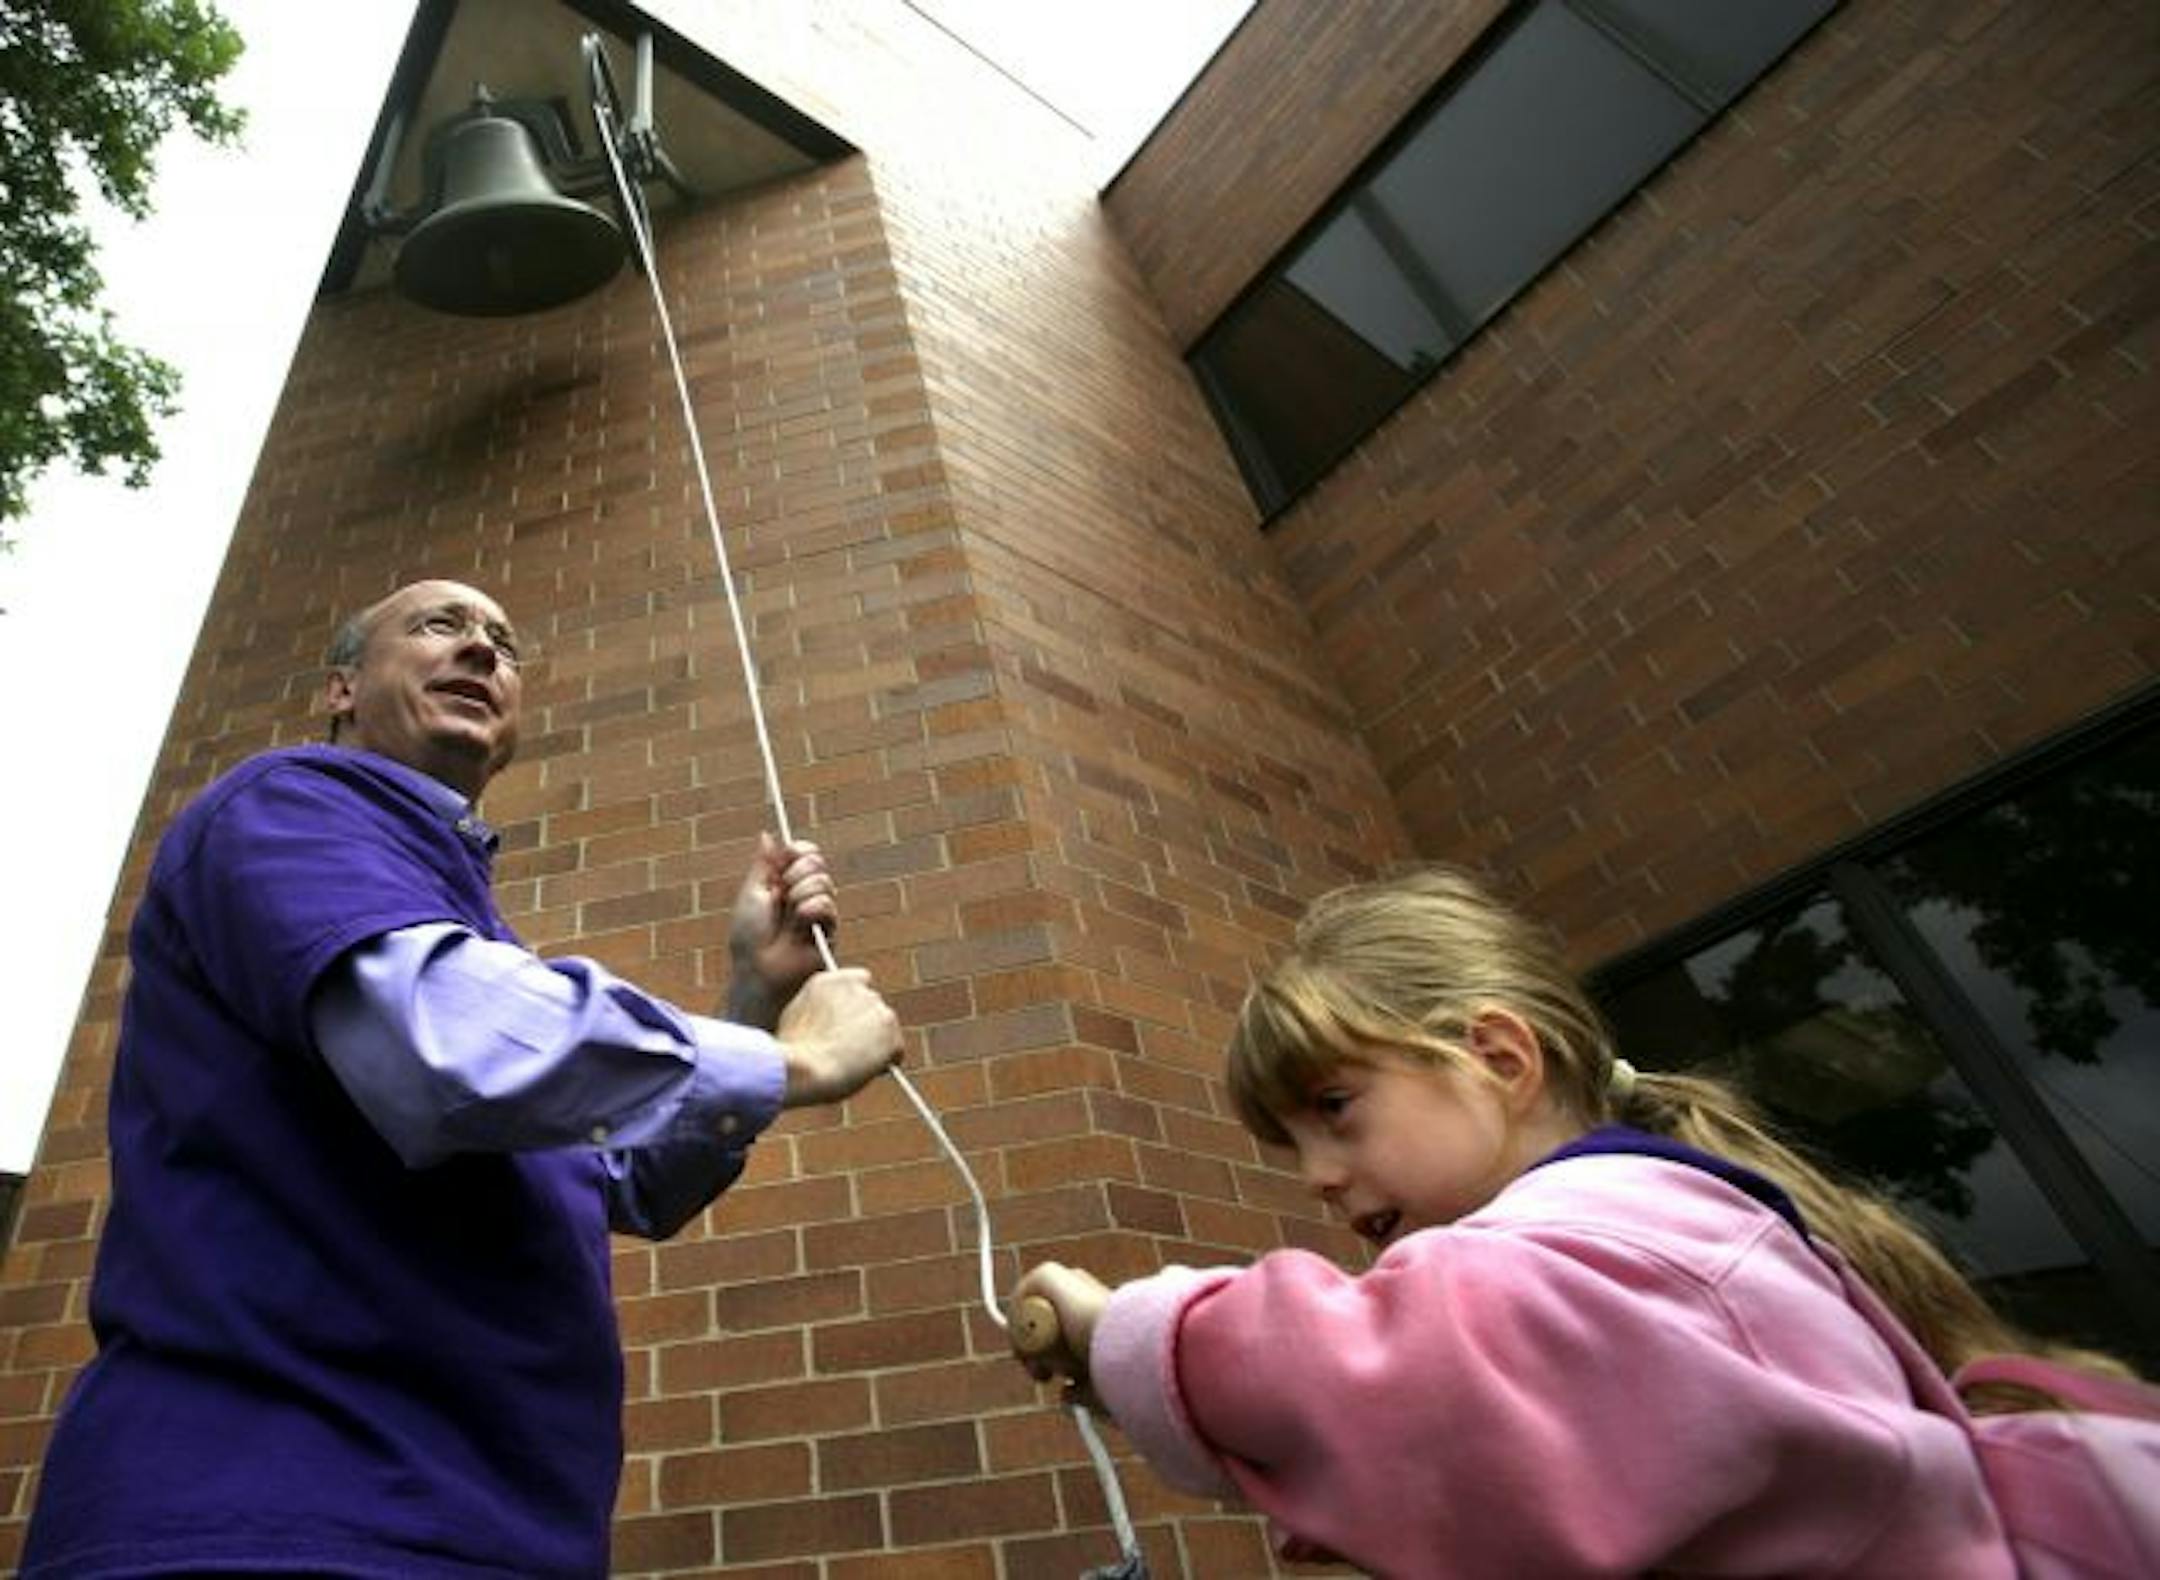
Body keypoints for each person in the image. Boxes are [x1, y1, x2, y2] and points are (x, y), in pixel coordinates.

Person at [24, 579, 904, 1579]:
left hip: (475, 1528)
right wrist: (793, 1058)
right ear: (341, 689)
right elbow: (444, 1047)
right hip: (278, 1512)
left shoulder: (460, 929)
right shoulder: (288, 804)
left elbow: (621, 1180)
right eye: (440, 626)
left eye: (504, 642)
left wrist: (751, 993)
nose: (483, 650)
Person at [1009, 865, 2149, 1577]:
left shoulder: (1614, 1236)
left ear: (1499, 1056)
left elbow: (1409, 1369)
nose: (1316, 1175)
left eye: (1336, 1108)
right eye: (1292, 1142)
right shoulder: (1665, 1231)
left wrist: (1135, 1332)